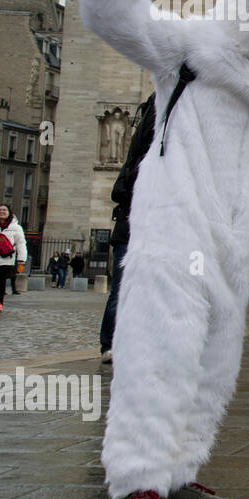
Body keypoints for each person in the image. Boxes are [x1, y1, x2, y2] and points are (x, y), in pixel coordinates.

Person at [99, 96, 156, 362]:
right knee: (121, 290)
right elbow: (118, 191)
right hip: (128, 232)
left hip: (146, 229)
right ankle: (109, 343)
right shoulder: (134, 165)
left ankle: (133, 341)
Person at [0, 205, 27, 312]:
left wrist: (21, 259)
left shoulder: (16, 228)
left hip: (6, 259)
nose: (1, 212)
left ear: (9, 213)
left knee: (0, 281)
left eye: (4, 210)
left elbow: (21, 243)